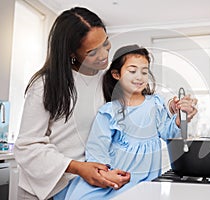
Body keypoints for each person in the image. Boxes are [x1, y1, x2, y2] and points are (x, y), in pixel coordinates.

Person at [14, 7, 197, 200]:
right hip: (45, 188)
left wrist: (174, 106)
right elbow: (27, 145)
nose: (103, 55)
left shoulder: (105, 78)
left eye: (106, 43)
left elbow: (144, 100)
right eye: (93, 52)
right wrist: (78, 167)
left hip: (92, 180)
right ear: (71, 53)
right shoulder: (45, 85)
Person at [64, 44, 188, 200]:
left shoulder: (155, 103)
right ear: (116, 74)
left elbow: (168, 132)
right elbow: (97, 149)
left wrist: (178, 119)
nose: (139, 77)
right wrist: (106, 175)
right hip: (114, 178)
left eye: (144, 72)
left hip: (143, 183)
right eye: (132, 71)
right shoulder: (109, 111)